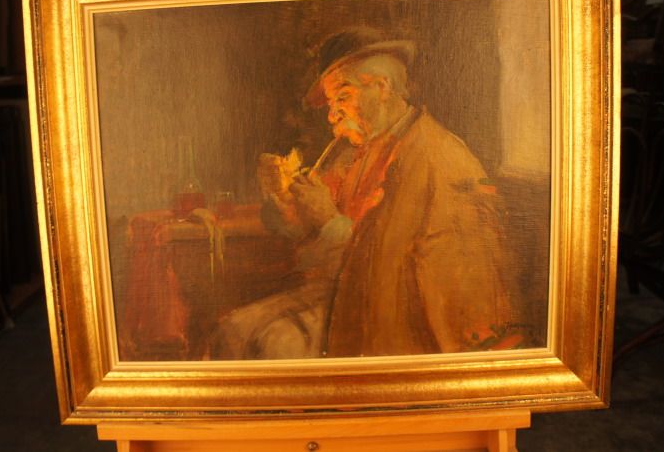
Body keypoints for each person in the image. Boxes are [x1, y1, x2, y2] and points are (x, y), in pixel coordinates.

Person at [208, 27, 519, 359]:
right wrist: (285, 201)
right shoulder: (355, 150)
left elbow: (414, 279)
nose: (332, 115)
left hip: (397, 320)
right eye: (331, 103)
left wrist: (329, 221)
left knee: (273, 345)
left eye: (343, 97)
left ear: (382, 88)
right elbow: (308, 232)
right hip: (343, 295)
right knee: (233, 331)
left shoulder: (439, 160)